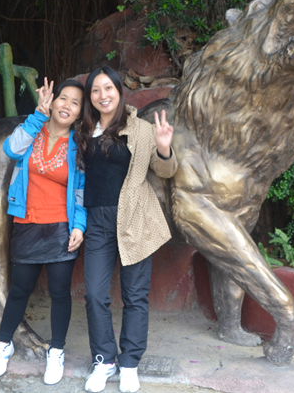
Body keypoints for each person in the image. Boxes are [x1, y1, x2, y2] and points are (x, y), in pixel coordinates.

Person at [76, 66, 177, 393]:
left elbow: (165, 170)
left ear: (119, 92)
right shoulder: (84, 130)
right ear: (90, 97)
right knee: (94, 294)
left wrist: (164, 147)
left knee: (134, 295)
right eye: (95, 90)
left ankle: (130, 363)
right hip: (97, 223)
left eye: (108, 88)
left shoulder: (142, 129)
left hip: (134, 218)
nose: (102, 95)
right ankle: (104, 361)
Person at [0, 78, 87, 386]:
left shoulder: (79, 145)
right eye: (63, 98)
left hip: (61, 228)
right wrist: (38, 115)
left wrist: (79, 226)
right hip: (27, 224)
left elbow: (81, 191)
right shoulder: (33, 131)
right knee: (19, 290)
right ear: (52, 101)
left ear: (80, 112)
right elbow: (10, 149)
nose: (67, 105)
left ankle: (56, 351)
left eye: (75, 103)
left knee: (60, 293)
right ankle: (3, 344)